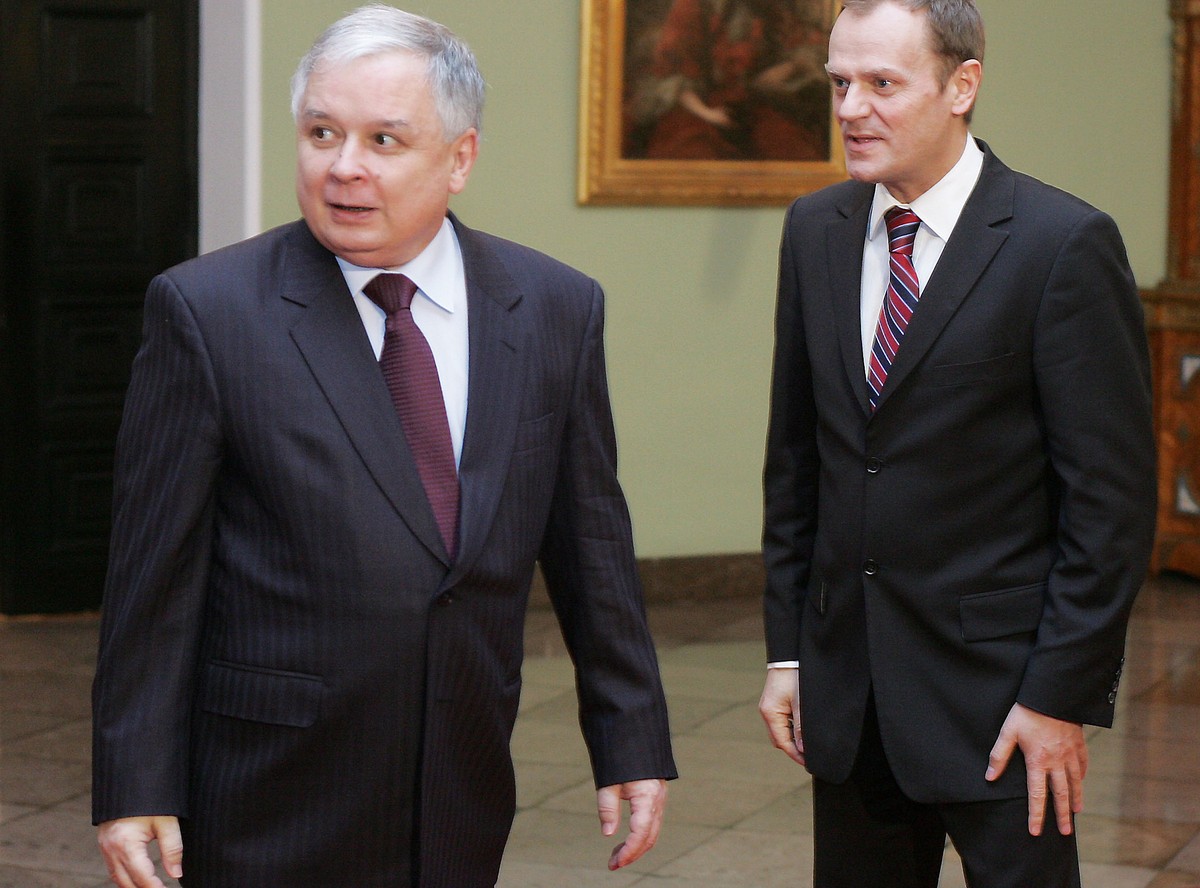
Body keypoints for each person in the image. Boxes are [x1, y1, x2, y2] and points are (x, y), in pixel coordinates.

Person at [91, 5, 676, 887]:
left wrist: (630, 738)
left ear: (460, 158)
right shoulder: (210, 312)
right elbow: (153, 578)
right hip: (268, 789)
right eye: (321, 132)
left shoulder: (553, 307)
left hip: (459, 778)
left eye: (384, 140)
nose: (343, 167)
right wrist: (134, 782)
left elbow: (590, 540)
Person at [757, 1, 1156, 885]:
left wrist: (1058, 695)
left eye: (882, 83)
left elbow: (1111, 505)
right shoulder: (815, 231)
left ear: (961, 86)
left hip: (1004, 704)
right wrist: (789, 652)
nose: (851, 108)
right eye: (839, 83)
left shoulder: (1060, 245)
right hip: (849, 694)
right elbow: (797, 463)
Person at [628, 0, 829, 160]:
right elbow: (674, 71)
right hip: (701, 108)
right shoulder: (693, 7)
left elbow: (806, 46)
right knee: (691, 151)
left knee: (791, 148)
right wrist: (709, 114)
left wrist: (785, 69)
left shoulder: (772, 6)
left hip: (759, 104)